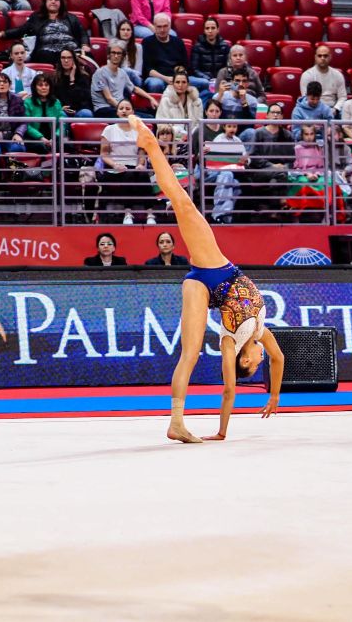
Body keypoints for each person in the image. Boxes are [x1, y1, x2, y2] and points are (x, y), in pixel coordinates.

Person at [131, 115, 283, 442]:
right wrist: (274, 396)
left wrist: (221, 431)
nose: (260, 363)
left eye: (254, 366)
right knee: (183, 205)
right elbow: (279, 358)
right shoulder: (260, 332)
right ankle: (151, 144)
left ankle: (175, 421)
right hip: (214, 274)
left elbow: (229, 389)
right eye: (258, 365)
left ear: (245, 358)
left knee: (190, 353)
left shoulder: (231, 344)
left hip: (211, 276)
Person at [0, 0, 89, 67]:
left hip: (70, 50)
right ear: (45, 2)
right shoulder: (37, 17)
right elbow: (22, 30)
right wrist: (4, 33)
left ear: (61, 2)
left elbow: (82, 33)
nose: (53, 2)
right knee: (45, 55)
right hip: (47, 50)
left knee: (87, 57)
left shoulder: (71, 18)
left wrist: (85, 45)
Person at [100, 98, 148, 223]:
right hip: (115, 168)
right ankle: (128, 212)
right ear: (117, 112)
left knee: (143, 175)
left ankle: (150, 214)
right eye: (121, 108)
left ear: (133, 112)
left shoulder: (139, 130)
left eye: (127, 109)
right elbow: (104, 154)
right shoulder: (109, 130)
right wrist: (115, 164)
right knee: (128, 175)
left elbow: (141, 152)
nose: (124, 111)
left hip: (134, 165)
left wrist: (141, 164)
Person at [142, 13, 208, 94]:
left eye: (165, 26)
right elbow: (148, 69)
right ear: (154, 27)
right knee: (156, 84)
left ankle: (198, 106)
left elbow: (185, 66)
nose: (162, 30)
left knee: (204, 83)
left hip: (177, 77)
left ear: (170, 26)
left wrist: (177, 78)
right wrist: (166, 78)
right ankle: (157, 106)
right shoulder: (147, 42)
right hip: (157, 77)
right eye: (159, 27)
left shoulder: (178, 42)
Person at [92, 38, 147, 117]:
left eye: (119, 53)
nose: (116, 56)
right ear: (108, 55)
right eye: (113, 53)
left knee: (149, 116)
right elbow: (109, 98)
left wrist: (151, 98)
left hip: (119, 108)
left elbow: (134, 89)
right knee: (138, 118)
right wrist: (124, 110)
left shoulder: (122, 72)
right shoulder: (100, 73)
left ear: (123, 56)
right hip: (104, 109)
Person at [22, 72, 63, 154]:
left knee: (66, 145)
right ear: (35, 87)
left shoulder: (56, 102)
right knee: (40, 146)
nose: (44, 87)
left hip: (53, 137)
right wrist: (41, 138)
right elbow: (26, 125)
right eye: (40, 85)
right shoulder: (27, 102)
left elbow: (62, 123)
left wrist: (54, 137)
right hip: (34, 137)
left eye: (46, 85)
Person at [300, 45, 347, 110]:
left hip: (333, 108)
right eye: (319, 56)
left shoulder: (338, 75)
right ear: (315, 57)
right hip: (313, 108)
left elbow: (342, 97)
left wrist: (336, 109)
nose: (322, 58)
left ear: (330, 57)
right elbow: (305, 98)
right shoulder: (307, 75)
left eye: (325, 56)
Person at [189, 17, 229, 89]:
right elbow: (194, 69)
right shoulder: (197, 47)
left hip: (220, 80)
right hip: (204, 80)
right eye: (207, 28)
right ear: (204, 31)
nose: (210, 31)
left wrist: (219, 79)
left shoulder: (225, 46)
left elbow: (228, 67)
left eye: (213, 28)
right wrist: (208, 79)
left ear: (218, 30)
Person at [54, 48, 93, 117]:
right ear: (60, 60)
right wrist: (60, 108)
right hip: (63, 111)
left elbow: (84, 98)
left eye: (69, 58)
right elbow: (53, 99)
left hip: (80, 110)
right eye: (63, 58)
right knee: (61, 115)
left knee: (86, 113)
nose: (66, 60)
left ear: (74, 60)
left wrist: (72, 80)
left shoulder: (84, 77)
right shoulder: (55, 78)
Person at [115, 20, 143, 85]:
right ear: (118, 31)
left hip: (135, 79)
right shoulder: (113, 46)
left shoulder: (138, 47)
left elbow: (139, 72)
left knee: (127, 71)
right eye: (123, 29)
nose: (125, 32)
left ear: (132, 32)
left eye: (128, 30)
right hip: (117, 79)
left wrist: (128, 72)